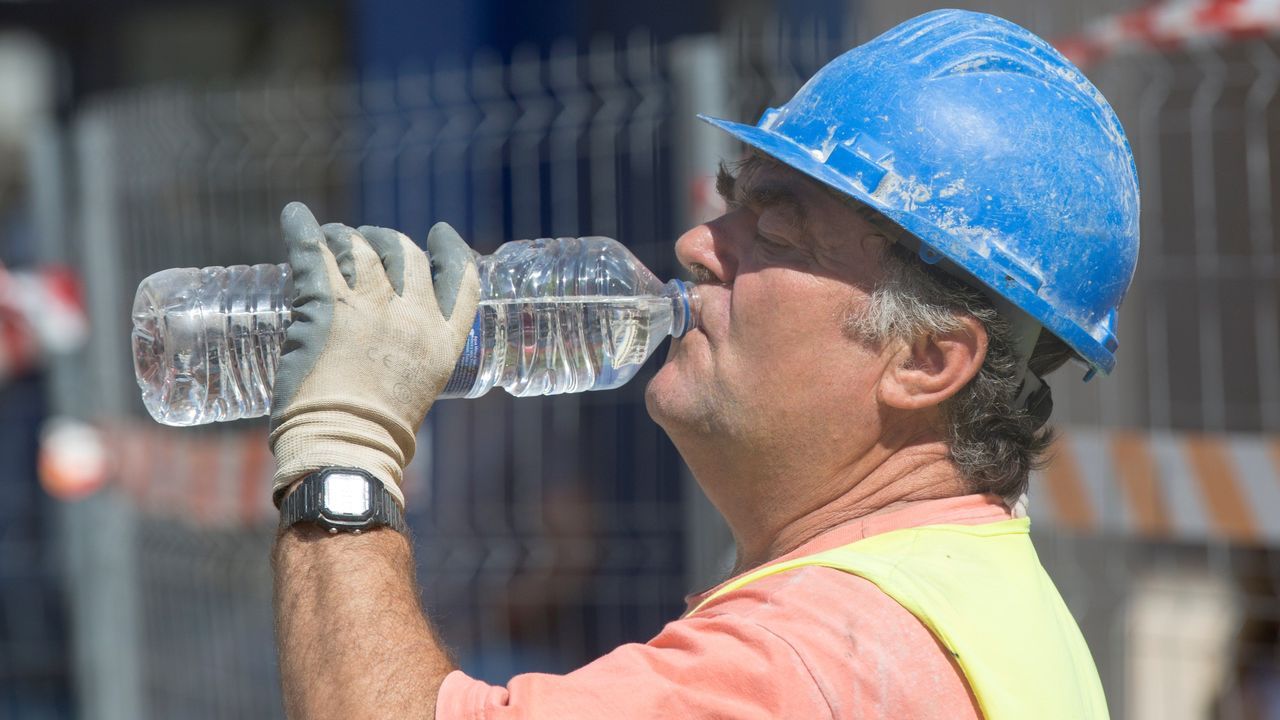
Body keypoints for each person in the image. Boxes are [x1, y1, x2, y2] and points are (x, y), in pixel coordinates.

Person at [270, 9, 1137, 719]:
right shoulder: (978, 601)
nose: (694, 244)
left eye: (775, 230)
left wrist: (341, 448)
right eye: (730, 207)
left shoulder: (810, 656)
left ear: (925, 359)